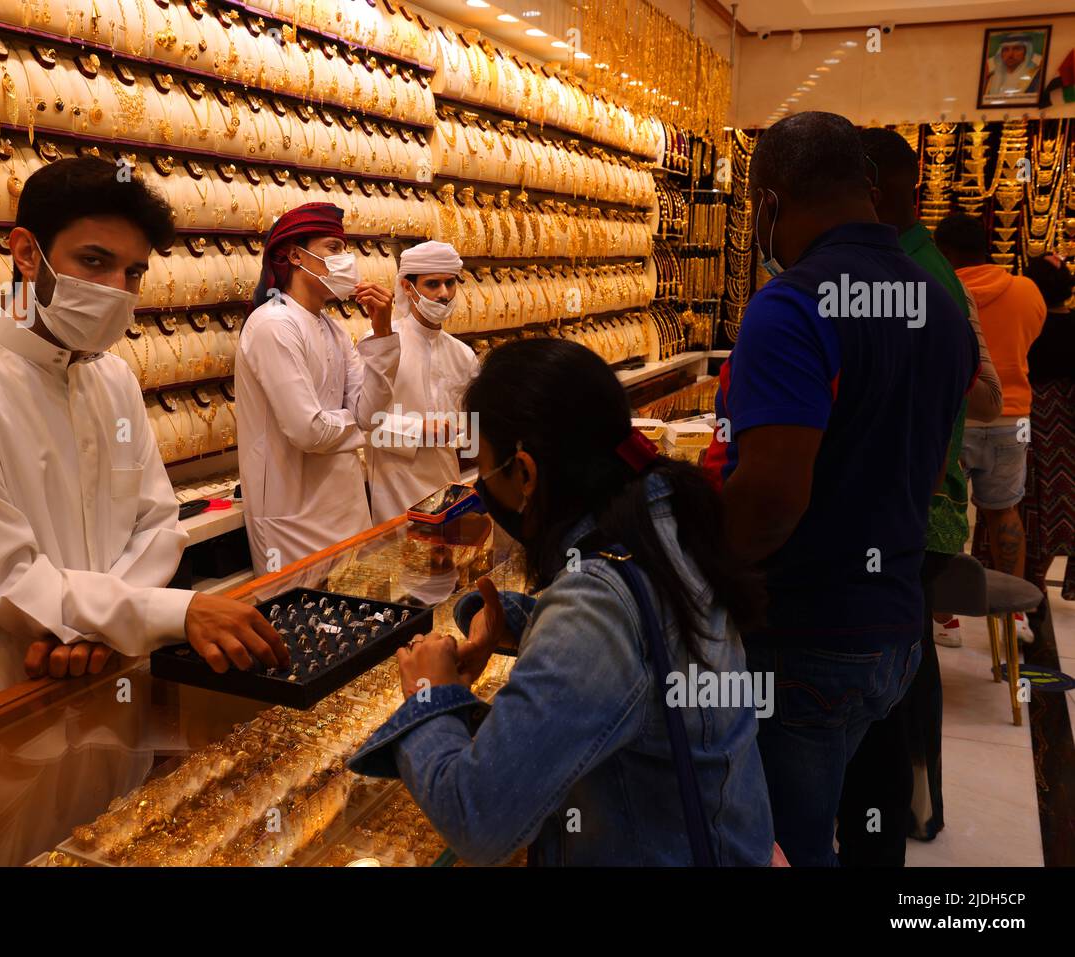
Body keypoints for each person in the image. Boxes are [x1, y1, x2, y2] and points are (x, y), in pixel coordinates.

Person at [0, 157, 287, 729]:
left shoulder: (111, 378)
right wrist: (153, 614)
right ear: (25, 253)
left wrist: (108, 623)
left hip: (110, 692)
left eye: (133, 273)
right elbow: (6, 580)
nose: (116, 290)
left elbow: (157, 524)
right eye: (93, 262)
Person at [350, 338, 774, 866]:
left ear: (524, 472)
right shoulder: (662, 516)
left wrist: (426, 694)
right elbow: (642, 644)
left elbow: (479, 819)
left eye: (484, 469)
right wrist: (517, 622)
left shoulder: (596, 604)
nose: (481, 487)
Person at [703, 112, 977, 867]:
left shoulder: (791, 306)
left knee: (781, 845)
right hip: (893, 628)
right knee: (861, 834)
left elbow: (770, 499)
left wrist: (693, 563)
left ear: (769, 202)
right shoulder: (939, 307)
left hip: (805, 639)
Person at [832, 128, 1002, 865]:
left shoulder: (912, 274)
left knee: (896, 675)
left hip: (911, 512)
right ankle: (911, 808)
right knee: (904, 665)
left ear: (872, 187)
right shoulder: (918, 269)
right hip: (916, 504)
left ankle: (908, 808)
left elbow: (982, 391)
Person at [233, 203, 398, 576]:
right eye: (334, 248)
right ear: (295, 255)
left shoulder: (332, 328)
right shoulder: (273, 325)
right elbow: (308, 431)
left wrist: (384, 333)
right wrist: (354, 424)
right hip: (292, 520)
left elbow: (370, 413)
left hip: (348, 508)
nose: (346, 260)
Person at [935, 212, 1047, 642]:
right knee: (1005, 509)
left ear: (944, 252)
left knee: (945, 511)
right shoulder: (1026, 290)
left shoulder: (944, 290)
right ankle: (1015, 617)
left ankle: (946, 619)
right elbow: (1030, 338)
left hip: (958, 414)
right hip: (1012, 416)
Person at [972, 256, 1075, 615]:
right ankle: (1021, 602)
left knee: (977, 508)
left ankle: (957, 609)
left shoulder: (1020, 316)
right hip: (1044, 427)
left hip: (995, 414)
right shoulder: (1051, 316)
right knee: (1023, 510)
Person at [366, 240, 478, 524]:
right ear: (407, 287)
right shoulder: (380, 342)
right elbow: (365, 426)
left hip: (449, 490)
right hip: (395, 491)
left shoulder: (462, 354)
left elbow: (471, 430)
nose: (444, 294)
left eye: (450, 283)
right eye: (433, 284)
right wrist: (420, 430)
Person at [983, 34, 1044, 99]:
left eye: (1016, 49)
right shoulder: (991, 78)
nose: (1010, 54)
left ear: (1026, 52)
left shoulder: (1037, 76)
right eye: (1006, 50)